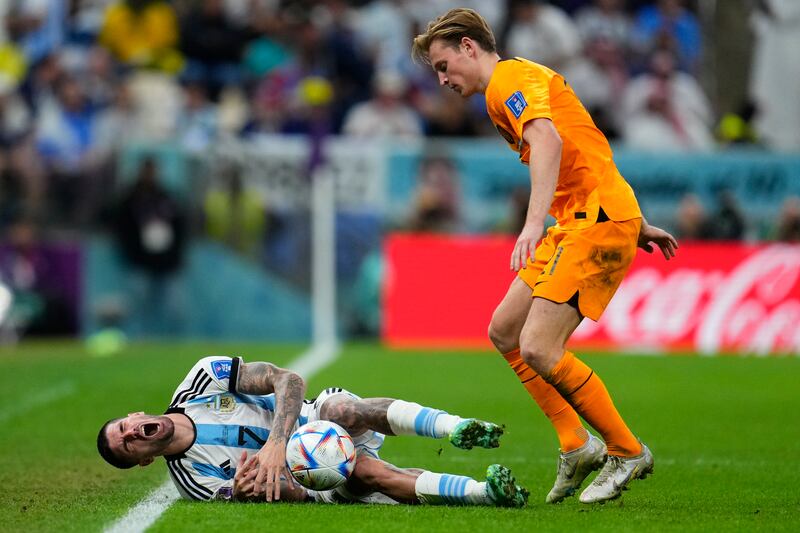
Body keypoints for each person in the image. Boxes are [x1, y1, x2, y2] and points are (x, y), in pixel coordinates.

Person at [411, 8, 678, 505]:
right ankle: (576, 445)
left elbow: (550, 140)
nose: (443, 79)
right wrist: (635, 223)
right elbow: (584, 143)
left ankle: (626, 449)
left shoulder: (508, 79)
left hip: (590, 221)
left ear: (470, 47)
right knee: (505, 331)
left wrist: (534, 223)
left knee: (538, 347)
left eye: (444, 66)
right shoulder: (502, 93)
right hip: (586, 216)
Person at [97, 355, 529, 507]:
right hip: (308, 473)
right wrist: (268, 488)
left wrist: (275, 443)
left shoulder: (203, 380)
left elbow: (290, 381)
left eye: (124, 426)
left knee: (347, 408)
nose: (132, 433)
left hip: (314, 416)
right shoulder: (196, 482)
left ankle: (457, 427)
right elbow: (291, 496)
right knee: (369, 475)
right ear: (144, 460)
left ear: (134, 414)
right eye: (128, 445)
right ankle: (485, 494)